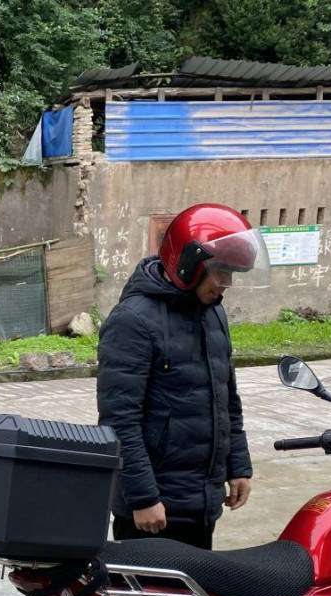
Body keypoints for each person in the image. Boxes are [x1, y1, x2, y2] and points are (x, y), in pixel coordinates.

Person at [97, 204, 267, 550]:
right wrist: (143, 497)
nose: (226, 284)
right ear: (188, 263)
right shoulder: (133, 320)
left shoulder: (212, 314)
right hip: (152, 510)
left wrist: (238, 466)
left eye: (232, 273)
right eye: (221, 272)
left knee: (198, 587)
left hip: (200, 502)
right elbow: (119, 419)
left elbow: (227, 399)